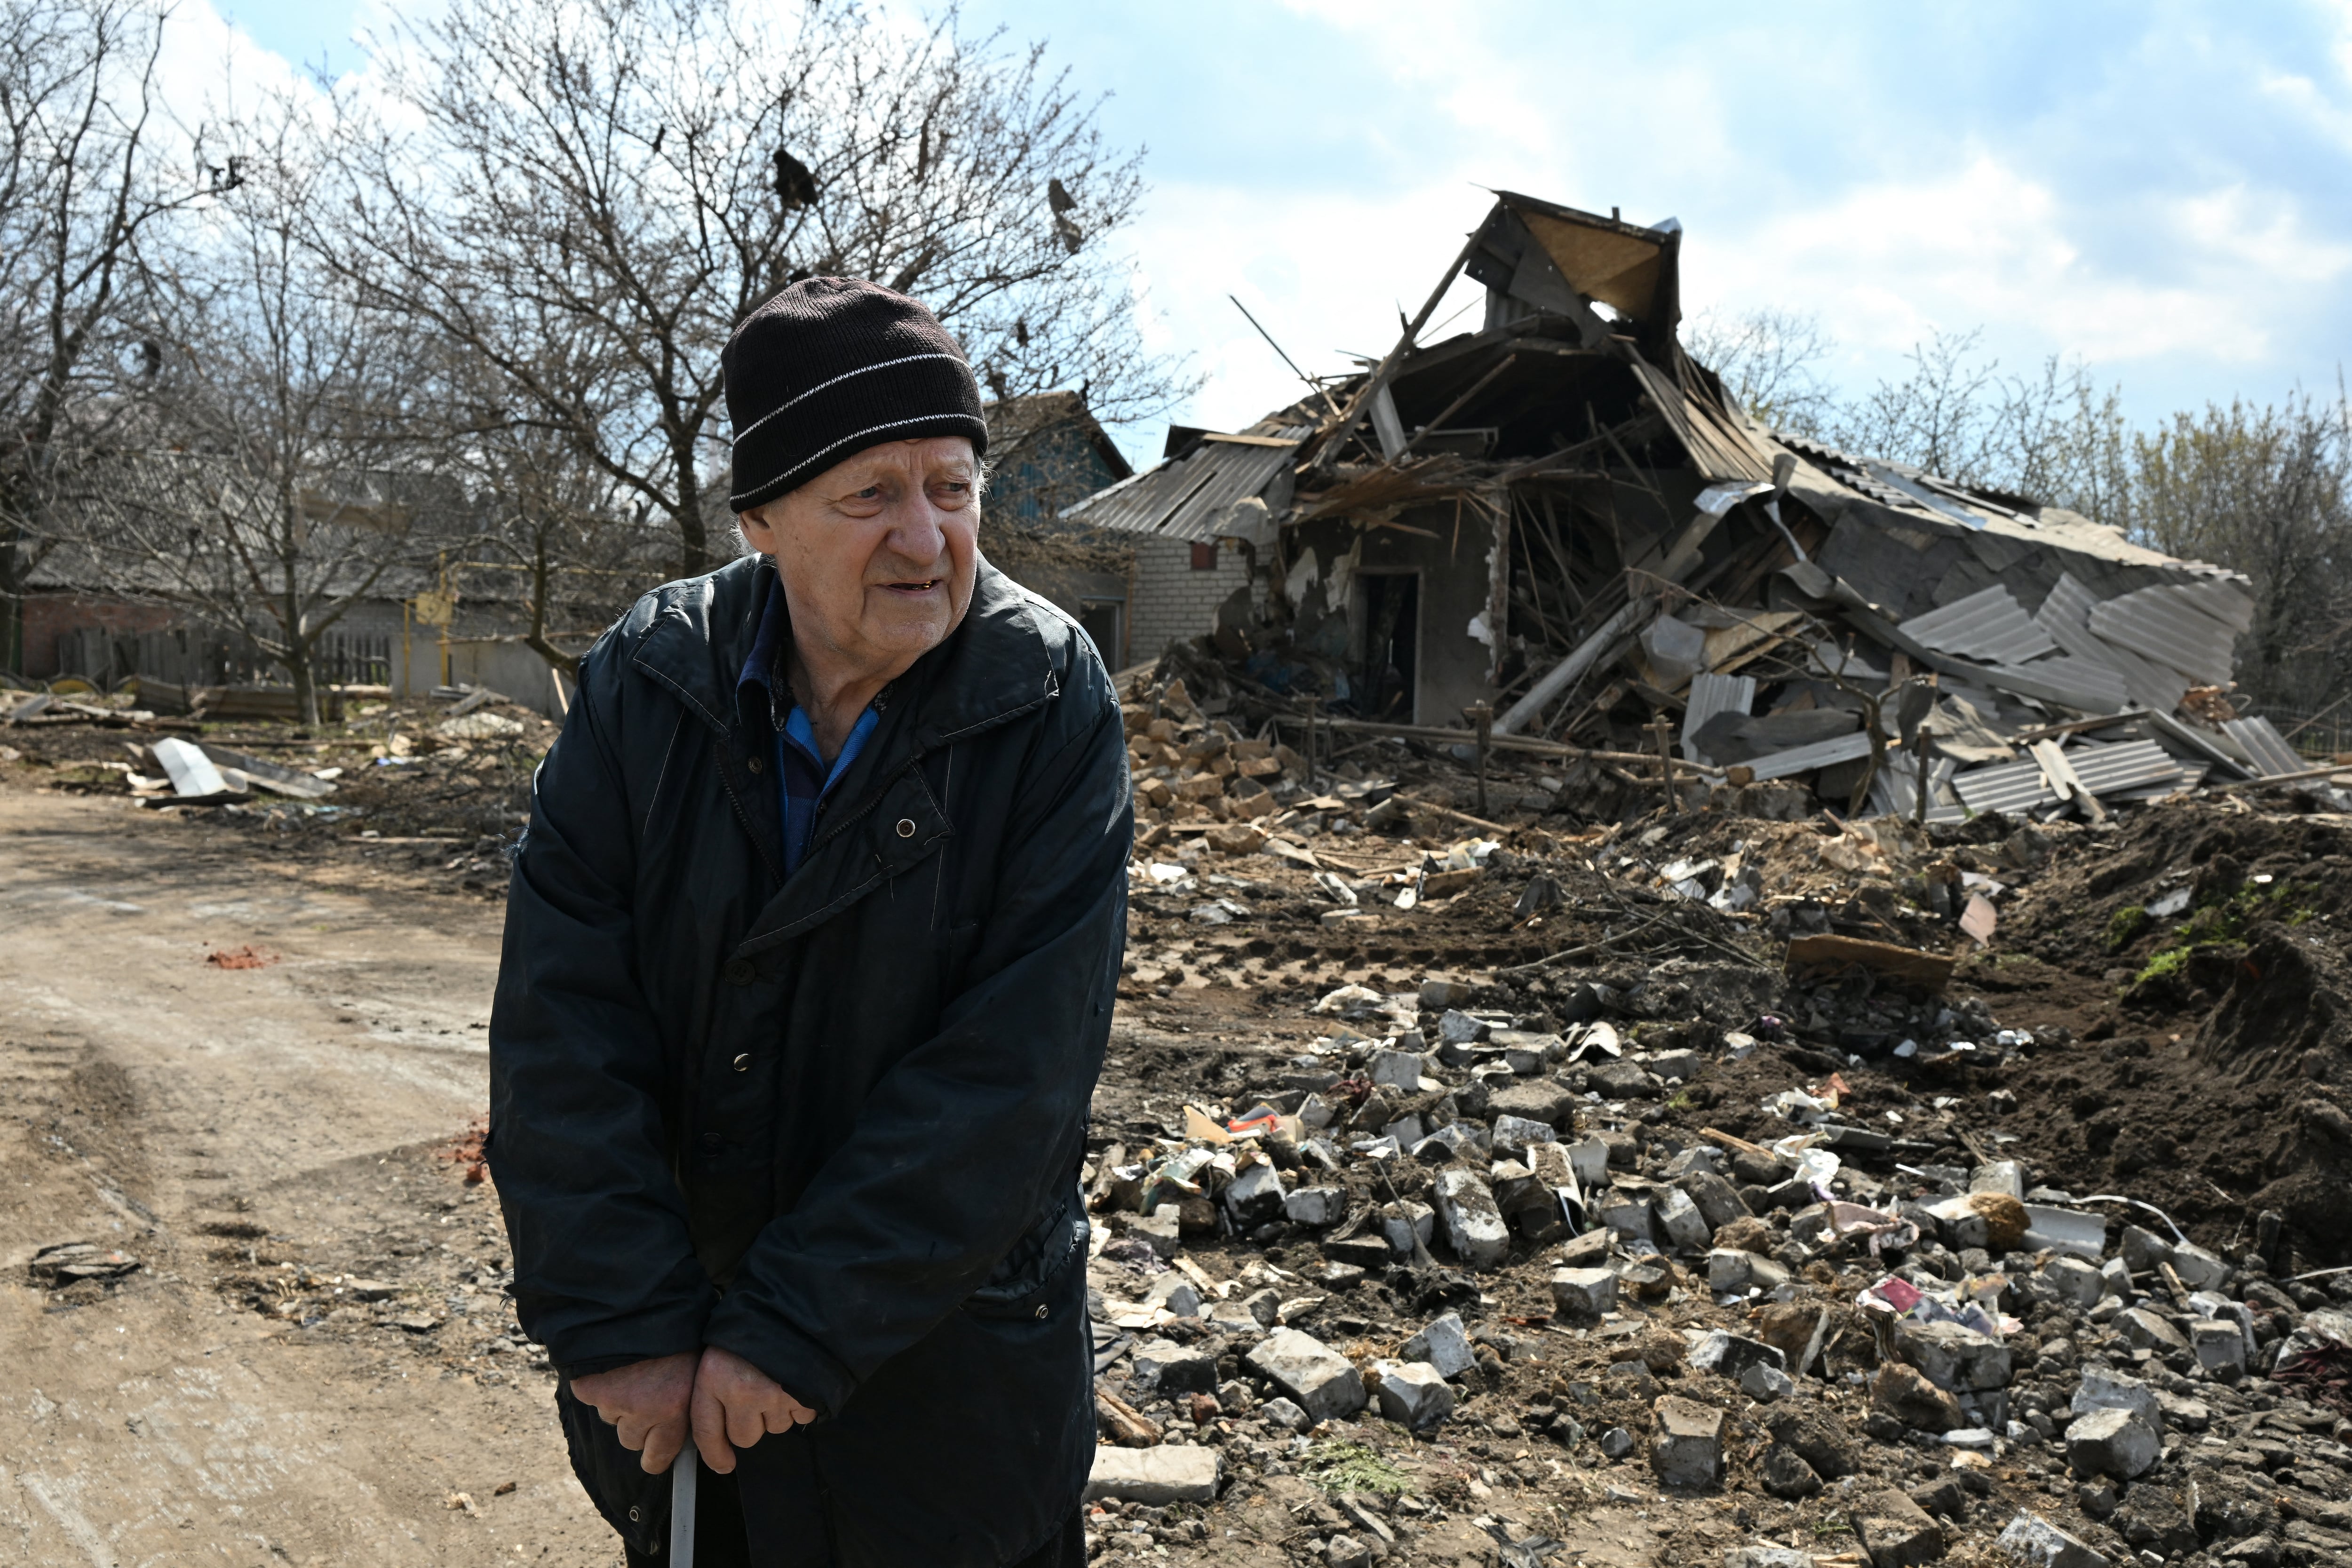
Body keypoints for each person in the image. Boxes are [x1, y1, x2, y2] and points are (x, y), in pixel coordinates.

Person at [487, 278, 1131, 1566]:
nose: (925, 539)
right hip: (685, 1396)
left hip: (948, 1399)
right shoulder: (649, 679)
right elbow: (564, 1009)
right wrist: (622, 1320)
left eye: (952, 490)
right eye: (869, 496)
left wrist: (794, 1329)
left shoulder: (1047, 699)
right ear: (762, 521)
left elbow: (1015, 1075)